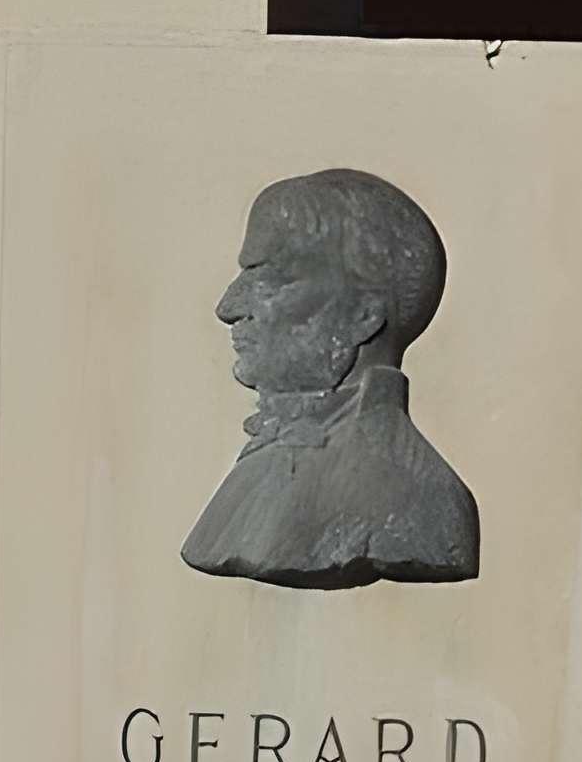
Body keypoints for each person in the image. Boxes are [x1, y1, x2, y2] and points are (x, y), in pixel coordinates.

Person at [181, 167, 480, 590]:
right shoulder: (267, 459)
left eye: (268, 278)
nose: (229, 306)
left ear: (363, 315)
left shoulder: (420, 497)